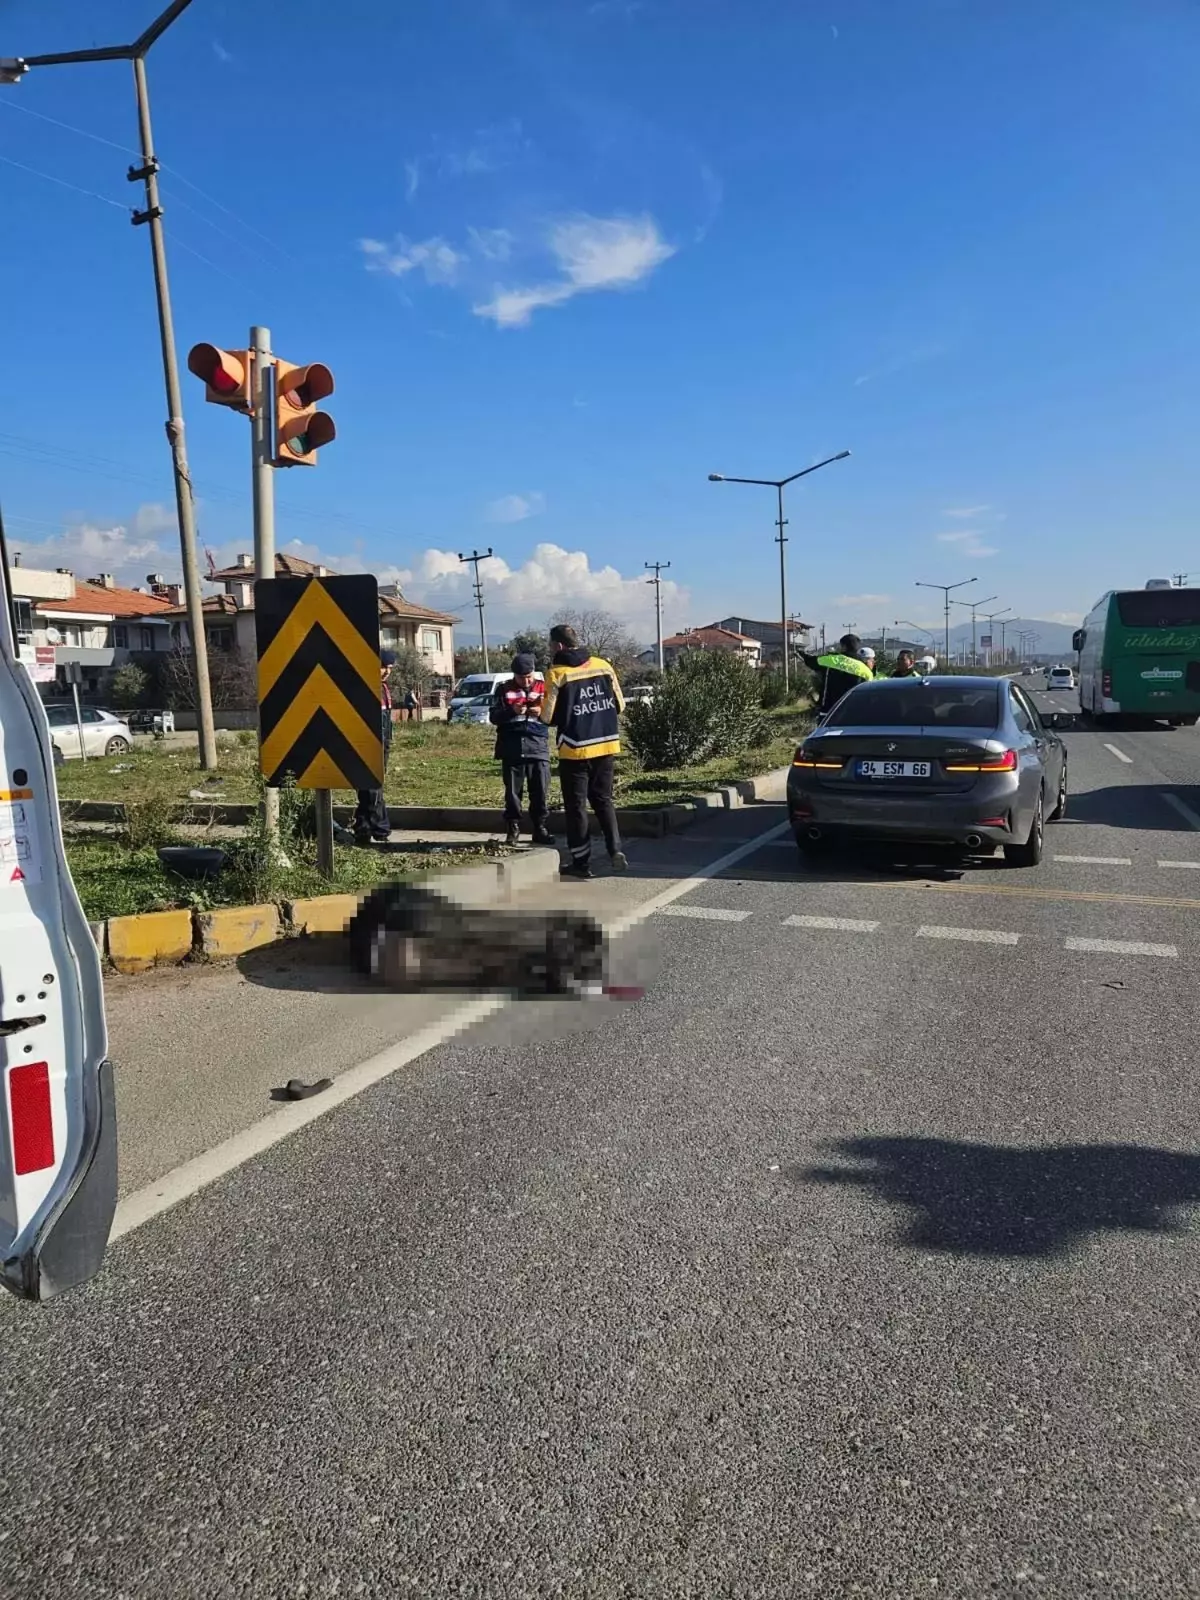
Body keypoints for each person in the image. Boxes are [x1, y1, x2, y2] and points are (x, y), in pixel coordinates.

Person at [541, 623, 628, 880]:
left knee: (576, 806)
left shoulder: (557, 673)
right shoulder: (604, 665)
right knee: (603, 800)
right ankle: (615, 850)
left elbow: (548, 716)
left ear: (558, 646)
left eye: (550, 646)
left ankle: (581, 862)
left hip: (575, 749)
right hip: (606, 744)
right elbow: (620, 705)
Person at [490, 653, 553, 848]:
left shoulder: (545, 688)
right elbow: (494, 717)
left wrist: (541, 712)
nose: (525, 681)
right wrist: (512, 711)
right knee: (513, 793)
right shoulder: (503, 689)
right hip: (512, 747)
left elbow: (555, 715)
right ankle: (513, 828)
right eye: (521, 678)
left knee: (540, 790)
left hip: (537, 745)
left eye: (529, 677)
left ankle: (540, 827)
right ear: (514, 675)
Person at [353, 649, 395, 845]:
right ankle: (380, 828)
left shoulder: (384, 688)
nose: (386, 671)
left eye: (390, 668)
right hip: (369, 743)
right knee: (372, 787)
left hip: (383, 742)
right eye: (383, 667)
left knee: (372, 787)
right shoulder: (366, 688)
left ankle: (363, 827)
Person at [800, 633, 875, 712]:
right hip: (855, 712)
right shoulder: (866, 671)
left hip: (830, 711)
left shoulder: (831, 660)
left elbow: (811, 661)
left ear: (844, 646)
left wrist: (803, 654)